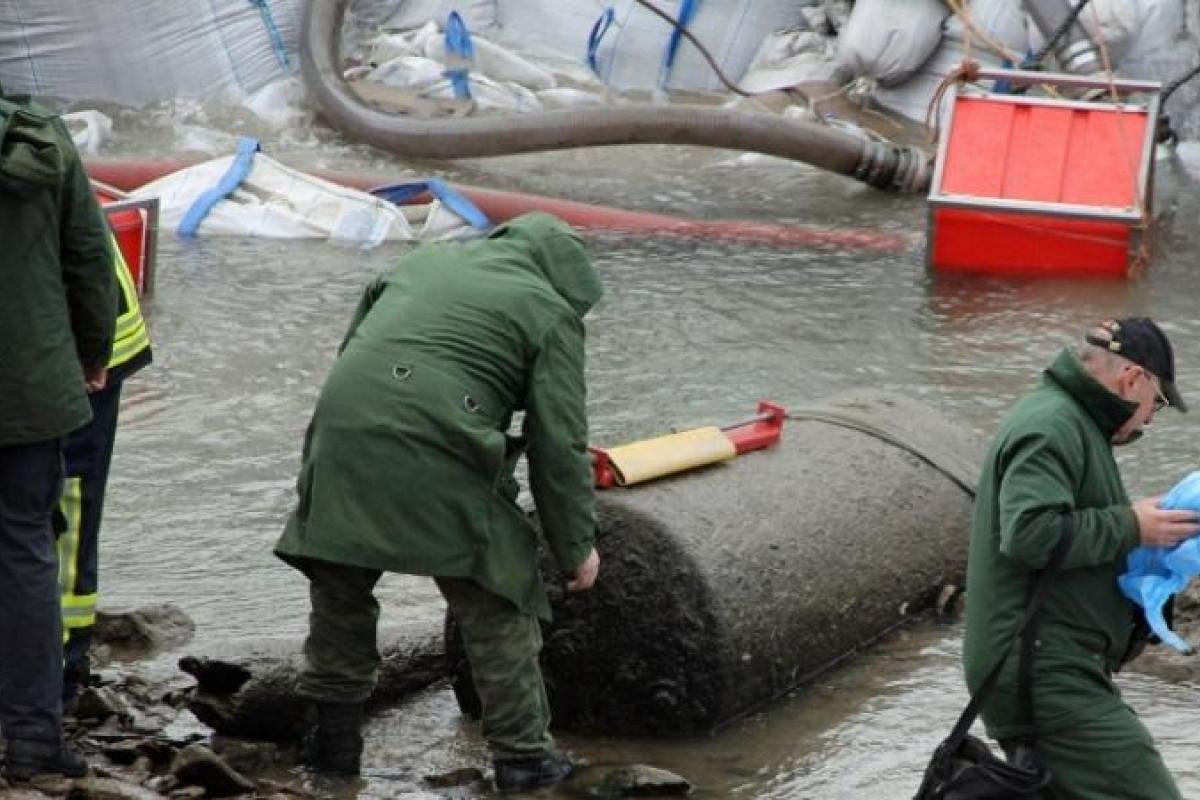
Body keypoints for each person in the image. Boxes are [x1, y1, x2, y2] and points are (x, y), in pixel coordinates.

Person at [275, 212, 602, 792]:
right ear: (569, 283)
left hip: (342, 437)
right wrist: (575, 546)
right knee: (497, 598)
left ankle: (332, 749)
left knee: (341, 593)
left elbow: (356, 357)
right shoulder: (549, 312)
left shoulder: (421, 260)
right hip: (440, 444)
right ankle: (525, 758)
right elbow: (560, 442)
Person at [963, 317, 1199, 800]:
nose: (1151, 418)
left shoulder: (1071, 421)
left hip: (1052, 664)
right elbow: (1029, 534)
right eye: (1156, 402)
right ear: (1133, 379)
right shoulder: (1053, 425)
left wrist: (1144, 532)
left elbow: (1069, 529)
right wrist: (1132, 525)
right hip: (1043, 669)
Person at [0, 85, 116, 780]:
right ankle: (35, 744)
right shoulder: (41, 136)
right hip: (30, 386)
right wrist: (92, 353)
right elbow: (88, 259)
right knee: (25, 555)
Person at [58, 233, 152, 710]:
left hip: (87, 348)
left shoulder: (36, 172)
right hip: (69, 333)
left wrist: (90, 355)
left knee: (68, 503)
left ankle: (65, 665)